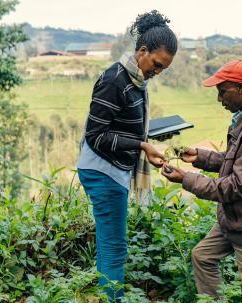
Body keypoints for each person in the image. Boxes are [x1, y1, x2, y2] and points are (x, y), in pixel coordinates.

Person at [161, 60, 242, 301]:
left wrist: (186, 179)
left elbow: (235, 186)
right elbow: (237, 161)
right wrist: (200, 157)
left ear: (241, 88)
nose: (220, 99)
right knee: (203, 257)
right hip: (237, 219)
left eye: (222, 92)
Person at [76, 10, 177, 302]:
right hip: (102, 170)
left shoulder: (136, 80)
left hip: (115, 169)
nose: (157, 72)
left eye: (163, 69)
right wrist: (141, 146)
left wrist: (146, 141)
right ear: (142, 51)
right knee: (114, 246)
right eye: (156, 65)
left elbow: (124, 125)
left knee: (114, 244)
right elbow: (96, 136)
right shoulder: (114, 80)